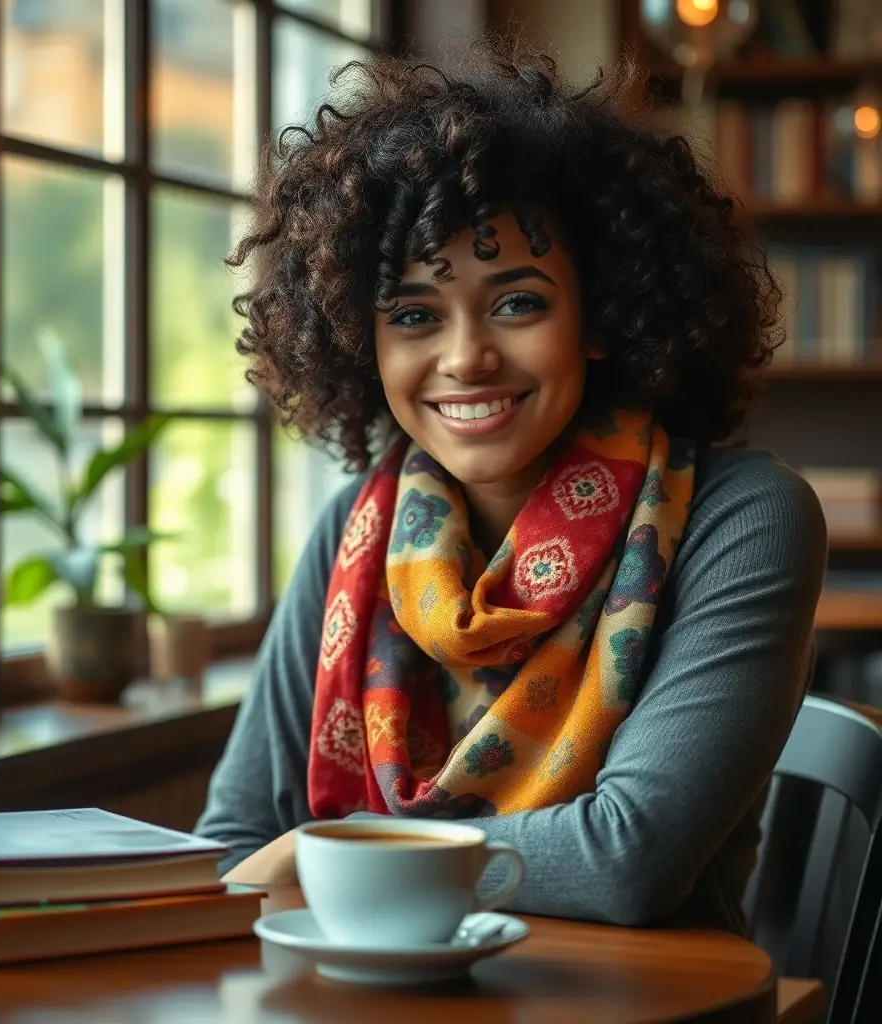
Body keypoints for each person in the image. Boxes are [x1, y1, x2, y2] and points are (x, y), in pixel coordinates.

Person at [196, 38, 827, 933]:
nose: (465, 358)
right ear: (358, 340)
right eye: (414, 315)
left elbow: (627, 863)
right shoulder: (354, 529)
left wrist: (331, 848)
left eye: (517, 302)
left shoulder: (742, 518)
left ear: (601, 315)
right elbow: (232, 843)